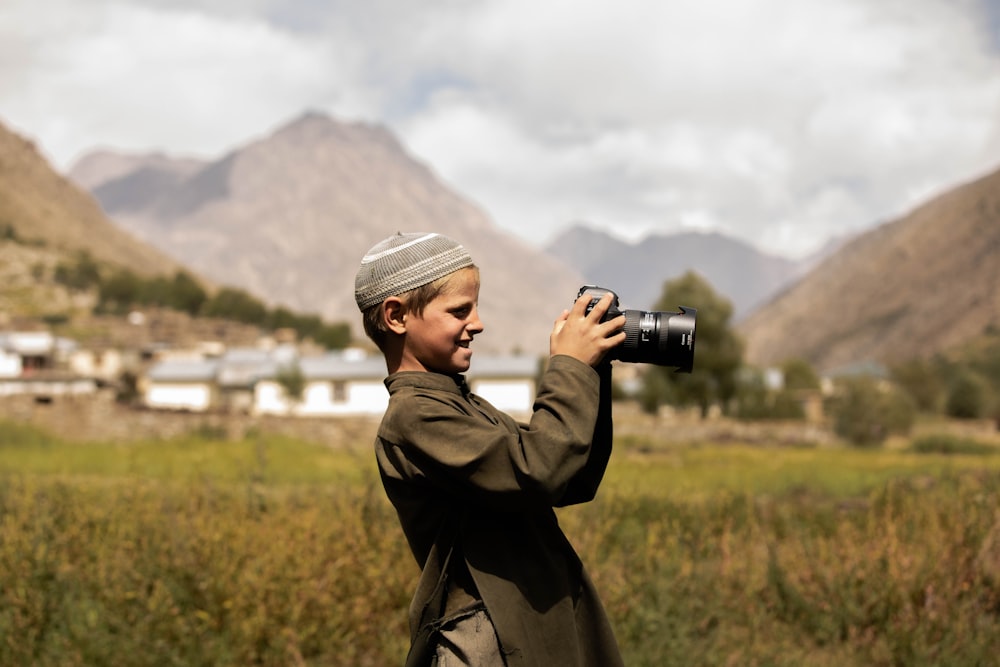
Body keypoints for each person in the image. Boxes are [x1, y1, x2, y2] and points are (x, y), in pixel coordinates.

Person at [354, 232, 627, 666]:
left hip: (523, 633)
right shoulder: (415, 417)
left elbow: (570, 477)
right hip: (491, 643)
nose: (477, 323)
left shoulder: (459, 406)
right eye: (460, 310)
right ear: (397, 316)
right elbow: (540, 471)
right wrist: (570, 367)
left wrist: (594, 370)